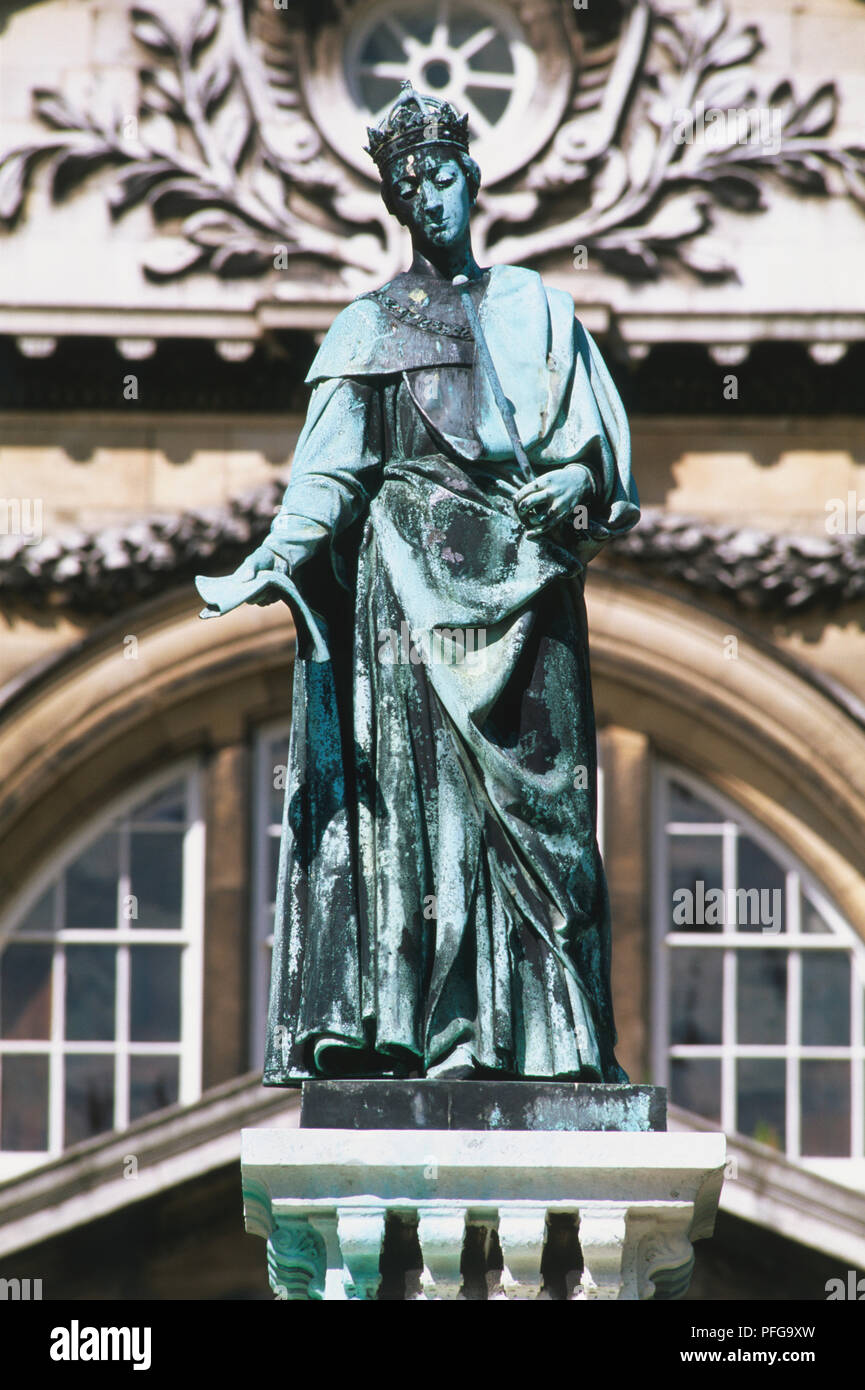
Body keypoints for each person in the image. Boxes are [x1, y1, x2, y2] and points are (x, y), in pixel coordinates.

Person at [198, 83, 640, 1083]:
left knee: (550, 815)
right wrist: (273, 554)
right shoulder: (368, 326)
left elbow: (601, 471)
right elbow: (326, 470)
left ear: (471, 179)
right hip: (406, 582)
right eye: (409, 187)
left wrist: (578, 476)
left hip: (528, 586)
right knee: (419, 815)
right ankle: (433, 1032)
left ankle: (556, 1043)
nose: (429, 198)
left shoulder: (542, 308)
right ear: (395, 205)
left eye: (440, 177)